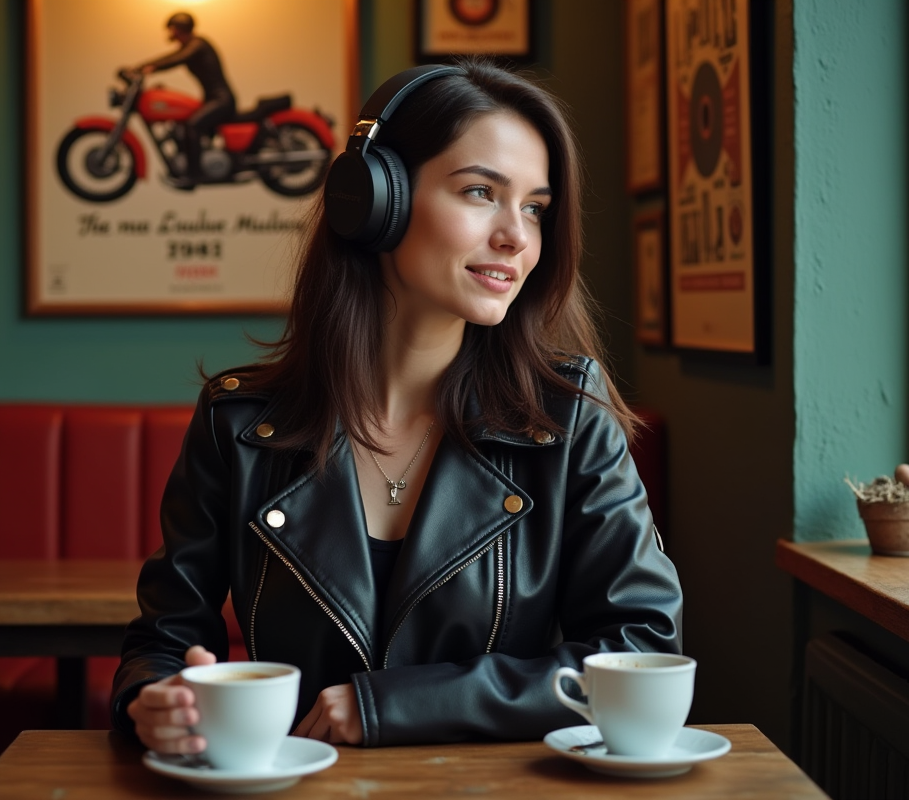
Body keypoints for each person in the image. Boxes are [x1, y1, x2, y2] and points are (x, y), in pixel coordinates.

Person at [113, 59, 682, 752]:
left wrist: (395, 707)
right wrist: (155, 700)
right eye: (481, 192)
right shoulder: (237, 423)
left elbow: (640, 648)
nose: (518, 237)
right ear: (375, 199)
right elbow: (164, 639)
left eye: (535, 206)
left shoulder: (569, 417)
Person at [137, 12, 235, 188]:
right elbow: (173, 56)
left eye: (172, 29)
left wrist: (148, 68)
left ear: (179, 28)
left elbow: (176, 58)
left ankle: (194, 174)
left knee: (192, 125)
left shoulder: (197, 44)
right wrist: (142, 67)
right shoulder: (191, 45)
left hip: (221, 101)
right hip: (213, 100)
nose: (170, 33)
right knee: (186, 123)